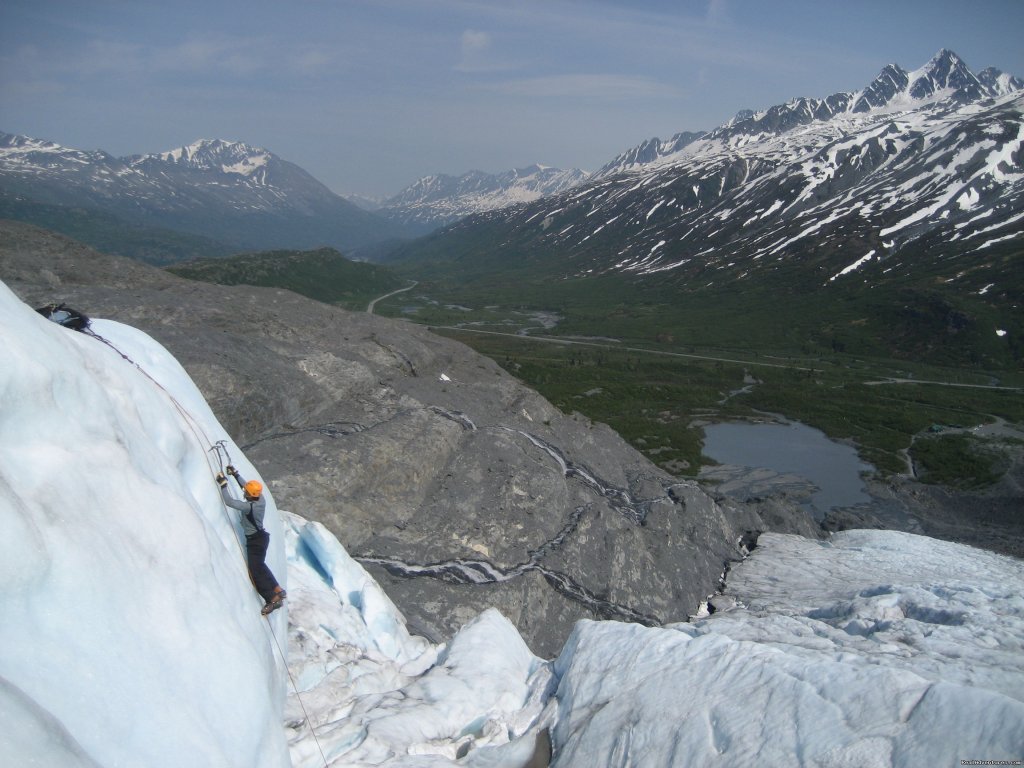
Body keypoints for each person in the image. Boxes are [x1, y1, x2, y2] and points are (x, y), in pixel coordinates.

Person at [217, 465, 286, 615]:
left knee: (255, 571)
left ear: (249, 496)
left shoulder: (248, 507)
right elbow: (246, 487)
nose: (245, 494)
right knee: (260, 565)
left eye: (246, 493)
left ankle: (272, 599)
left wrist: (223, 485)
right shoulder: (260, 499)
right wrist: (235, 474)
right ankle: (277, 589)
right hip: (261, 538)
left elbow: (230, 502)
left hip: (254, 541)